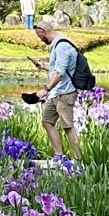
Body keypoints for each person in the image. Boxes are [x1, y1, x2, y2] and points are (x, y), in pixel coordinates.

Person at [33, 16, 81, 160]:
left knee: (67, 126)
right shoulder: (57, 45)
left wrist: (45, 89)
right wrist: (44, 67)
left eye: (39, 36)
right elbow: (58, 69)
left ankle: (78, 159)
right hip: (56, 92)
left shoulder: (62, 46)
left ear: (43, 31)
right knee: (47, 121)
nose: (41, 40)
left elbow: (60, 73)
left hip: (65, 93)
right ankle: (58, 156)